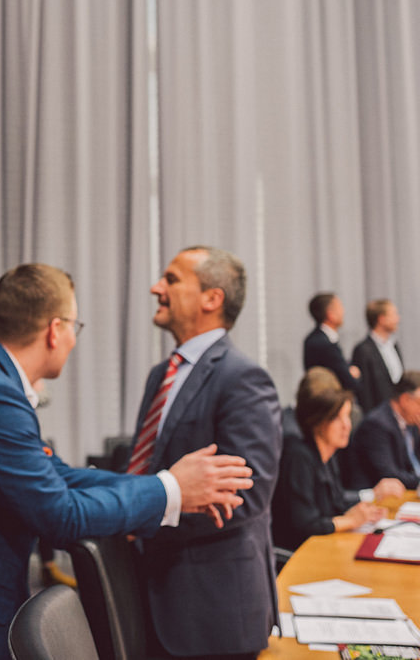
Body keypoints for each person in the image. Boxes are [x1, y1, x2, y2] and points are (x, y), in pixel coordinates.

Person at [0, 263, 253, 660]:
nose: (73, 339)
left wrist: (167, 485)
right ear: (55, 330)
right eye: (75, 326)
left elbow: (60, 476)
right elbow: (60, 514)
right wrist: (171, 490)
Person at [133, 246, 282, 660]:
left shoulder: (243, 378)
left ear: (212, 298)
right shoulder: (160, 375)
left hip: (212, 614)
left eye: (172, 279)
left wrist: (141, 512)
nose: (156, 288)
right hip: (151, 595)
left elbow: (246, 494)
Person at [272, 369, 403, 552]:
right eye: (337, 418)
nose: (346, 425)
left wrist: (364, 510)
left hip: (325, 545)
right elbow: (305, 526)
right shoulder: (298, 457)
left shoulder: (329, 453)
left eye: (347, 416)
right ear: (318, 421)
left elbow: (337, 500)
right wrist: (350, 520)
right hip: (303, 553)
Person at [345, 369, 420, 490]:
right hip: (377, 496)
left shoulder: (414, 422)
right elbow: (391, 476)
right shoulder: (376, 425)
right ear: (405, 400)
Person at [351, 298, 404, 412]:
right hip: (378, 412)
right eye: (393, 315)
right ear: (381, 319)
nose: (398, 319)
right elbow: (365, 390)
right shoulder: (363, 350)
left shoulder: (394, 345)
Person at [302, 292, 360, 392]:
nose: (343, 312)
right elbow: (347, 380)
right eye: (339, 308)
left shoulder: (314, 338)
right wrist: (352, 373)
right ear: (330, 314)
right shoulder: (324, 344)